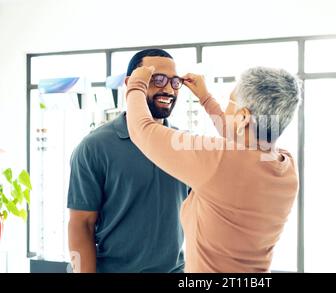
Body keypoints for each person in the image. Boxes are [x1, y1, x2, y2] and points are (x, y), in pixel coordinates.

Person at [126, 65, 301, 272]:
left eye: (231, 102)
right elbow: (242, 137)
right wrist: (205, 98)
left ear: (243, 117)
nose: (227, 109)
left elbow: (142, 130)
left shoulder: (219, 161)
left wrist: (136, 83)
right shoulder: (286, 167)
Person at [67, 49, 189, 273]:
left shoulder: (185, 144)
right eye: (157, 79)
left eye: (174, 81)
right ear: (130, 83)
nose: (168, 88)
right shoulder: (94, 147)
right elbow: (81, 225)